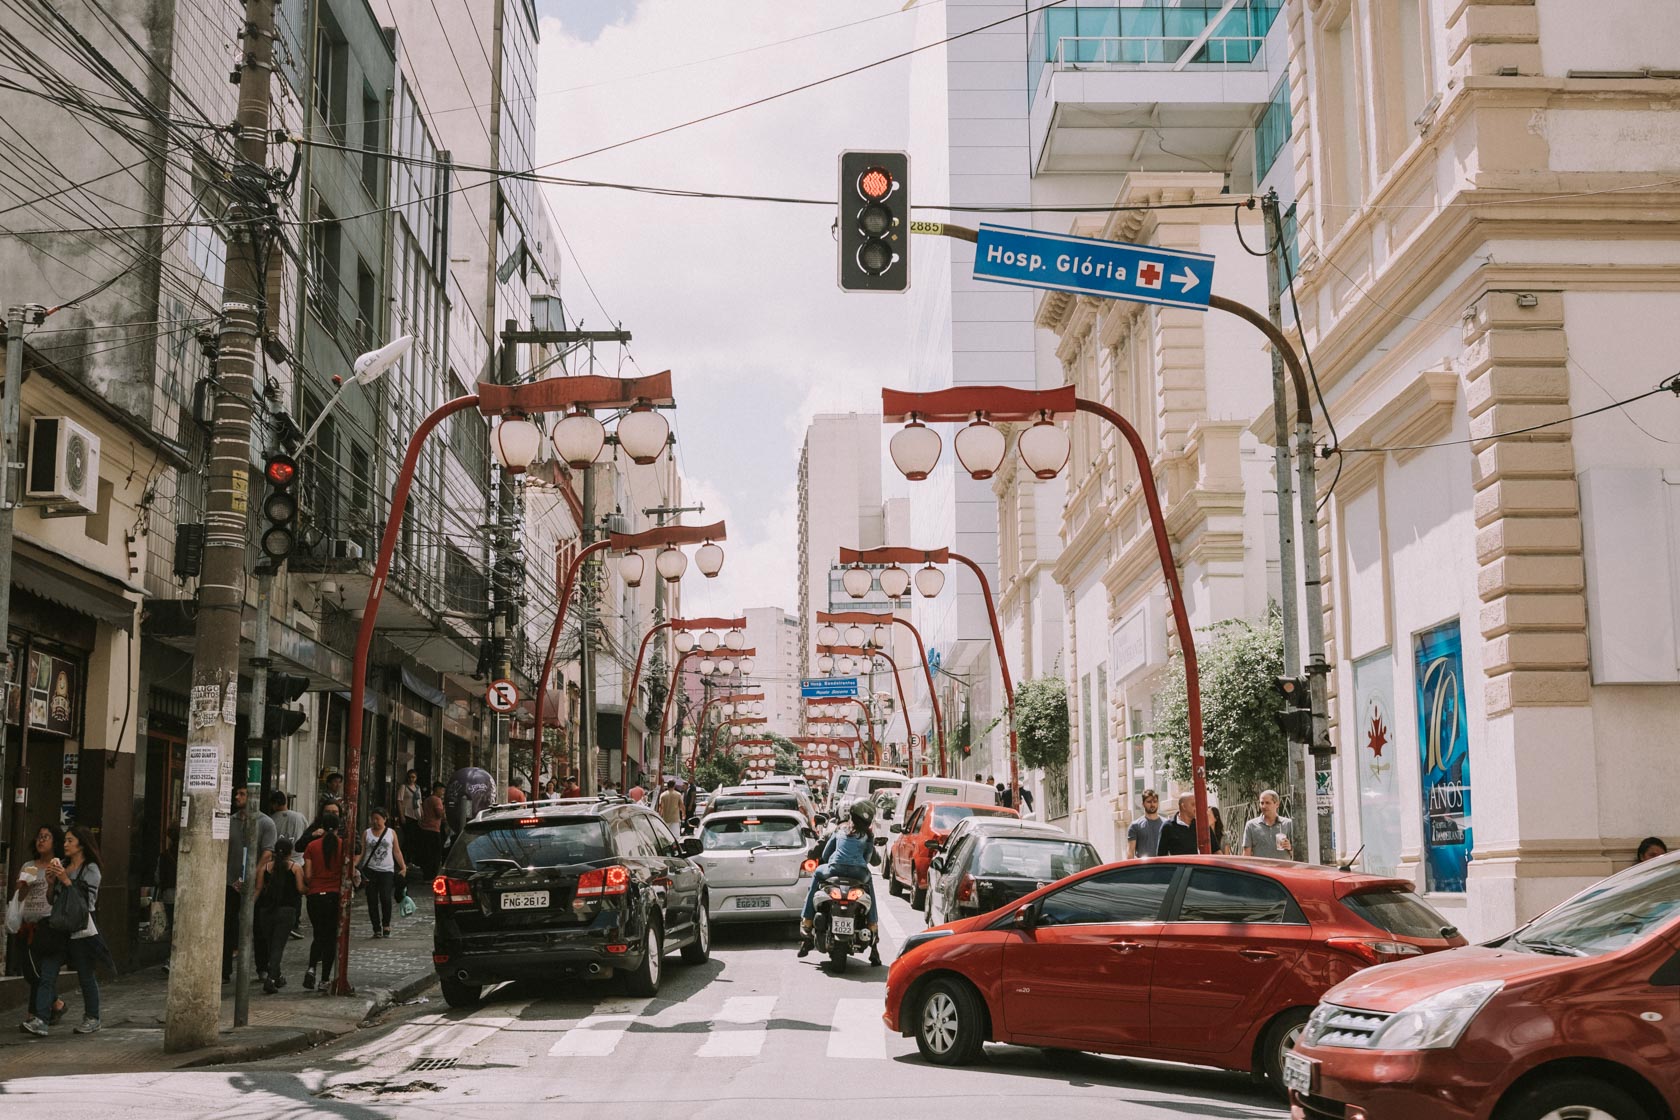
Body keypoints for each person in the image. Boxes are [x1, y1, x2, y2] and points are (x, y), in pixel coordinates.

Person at [22, 825, 106, 1036]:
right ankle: (41, 1018)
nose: (65, 844)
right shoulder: (63, 864)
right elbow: (53, 900)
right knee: (47, 972)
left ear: (81, 844)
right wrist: (51, 884)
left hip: (81, 926)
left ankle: (92, 1017)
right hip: (59, 926)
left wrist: (66, 881)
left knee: (85, 973)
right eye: (65, 840)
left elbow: (86, 903)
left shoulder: (91, 869)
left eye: (70, 841)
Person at [798, 800, 882, 967]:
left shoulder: (838, 830)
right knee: (869, 883)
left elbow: (827, 853)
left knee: (817, 874)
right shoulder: (867, 836)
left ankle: (807, 920)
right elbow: (868, 859)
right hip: (859, 873)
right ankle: (872, 924)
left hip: (834, 869)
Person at [9, 823, 66, 1026]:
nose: (41, 840)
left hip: (47, 924)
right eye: (39, 836)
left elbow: (56, 896)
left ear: (54, 842)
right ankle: (55, 1003)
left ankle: (34, 1013)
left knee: (39, 972)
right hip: (27, 924)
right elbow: (20, 895)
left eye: (46, 837)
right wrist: (24, 885)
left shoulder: (58, 865)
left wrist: (51, 882)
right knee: (31, 971)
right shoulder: (29, 866)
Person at [225, 786, 276, 983]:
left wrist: (252, 874)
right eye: (237, 794)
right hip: (231, 882)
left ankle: (262, 968)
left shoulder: (265, 823)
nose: (237, 797)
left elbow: (267, 852)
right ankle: (224, 971)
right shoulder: (231, 821)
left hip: (256, 884)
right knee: (228, 926)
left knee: (259, 928)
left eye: (242, 794)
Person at [301, 799, 345, 991]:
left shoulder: (312, 846)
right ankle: (325, 979)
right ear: (337, 828)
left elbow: (308, 875)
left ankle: (311, 968)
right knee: (330, 938)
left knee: (318, 935)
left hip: (315, 896)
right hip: (335, 896)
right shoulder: (343, 846)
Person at [255, 838, 305, 993]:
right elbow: (301, 888)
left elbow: (258, 889)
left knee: (271, 945)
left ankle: (277, 976)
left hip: (266, 911)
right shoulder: (295, 868)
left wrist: (250, 907)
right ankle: (271, 978)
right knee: (278, 946)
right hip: (286, 910)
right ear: (290, 853)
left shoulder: (265, 868)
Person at [358, 807, 406, 938]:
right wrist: (354, 865)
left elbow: (396, 851)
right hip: (370, 870)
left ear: (385, 819)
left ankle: (386, 925)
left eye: (378, 819)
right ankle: (376, 928)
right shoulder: (366, 833)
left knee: (385, 897)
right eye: (373, 819)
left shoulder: (391, 833)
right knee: (371, 899)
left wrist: (403, 866)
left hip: (387, 871)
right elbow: (361, 851)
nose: (375, 821)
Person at [1241, 790, 1294, 860]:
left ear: (1277, 804)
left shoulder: (1287, 824)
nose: (1264, 806)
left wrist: (1290, 847)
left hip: (1282, 869)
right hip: (1260, 869)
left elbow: (1299, 854)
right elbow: (1246, 854)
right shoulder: (1251, 825)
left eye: (1267, 803)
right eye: (1261, 803)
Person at [1158, 792, 1201, 856]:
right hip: (1178, 865)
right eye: (1193, 804)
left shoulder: (1201, 825)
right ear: (1183, 806)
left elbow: (1216, 850)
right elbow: (1161, 855)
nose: (1196, 808)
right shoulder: (1168, 826)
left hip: (1200, 865)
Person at [418, 781, 446, 877]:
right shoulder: (437, 800)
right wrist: (444, 810)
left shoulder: (427, 800)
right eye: (442, 790)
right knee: (435, 854)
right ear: (437, 789)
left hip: (425, 828)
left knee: (427, 853)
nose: (442, 793)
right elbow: (439, 814)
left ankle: (426, 874)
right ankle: (432, 875)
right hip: (433, 829)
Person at [1127, 789, 1166, 858]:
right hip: (1144, 867)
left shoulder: (1166, 824)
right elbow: (1130, 852)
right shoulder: (1135, 826)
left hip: (1163, 866)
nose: (1152, 804)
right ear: (1143, 804)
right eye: (1149, 802)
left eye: (1155, 802)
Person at [396, 769, 422, 854]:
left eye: (413, 777)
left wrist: (422, 815)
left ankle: (410, 859)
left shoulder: (418, 788)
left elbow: (420, 802)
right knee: (408, 838)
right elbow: (399, 801)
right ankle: (404, 858)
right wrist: (402, 816)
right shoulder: (404, 787)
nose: (411, 779)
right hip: (407, 814)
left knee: (414, 839)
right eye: (410, 777)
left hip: (416, 815)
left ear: (416, 778)